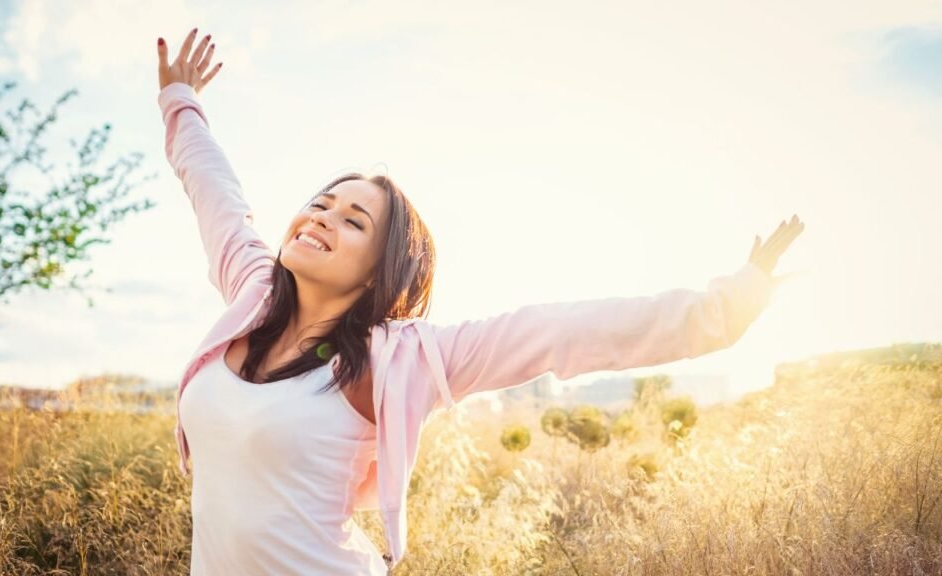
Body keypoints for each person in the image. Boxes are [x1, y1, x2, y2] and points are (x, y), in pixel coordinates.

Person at [155, 27, 806, 575]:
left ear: (378, 274)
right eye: (320, 204)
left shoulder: (395, 362)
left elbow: (562, 331)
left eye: (354, 221)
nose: (322, 218)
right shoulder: (251, 295)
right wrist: (180, 102)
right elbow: (216, 194)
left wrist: (725, 308)